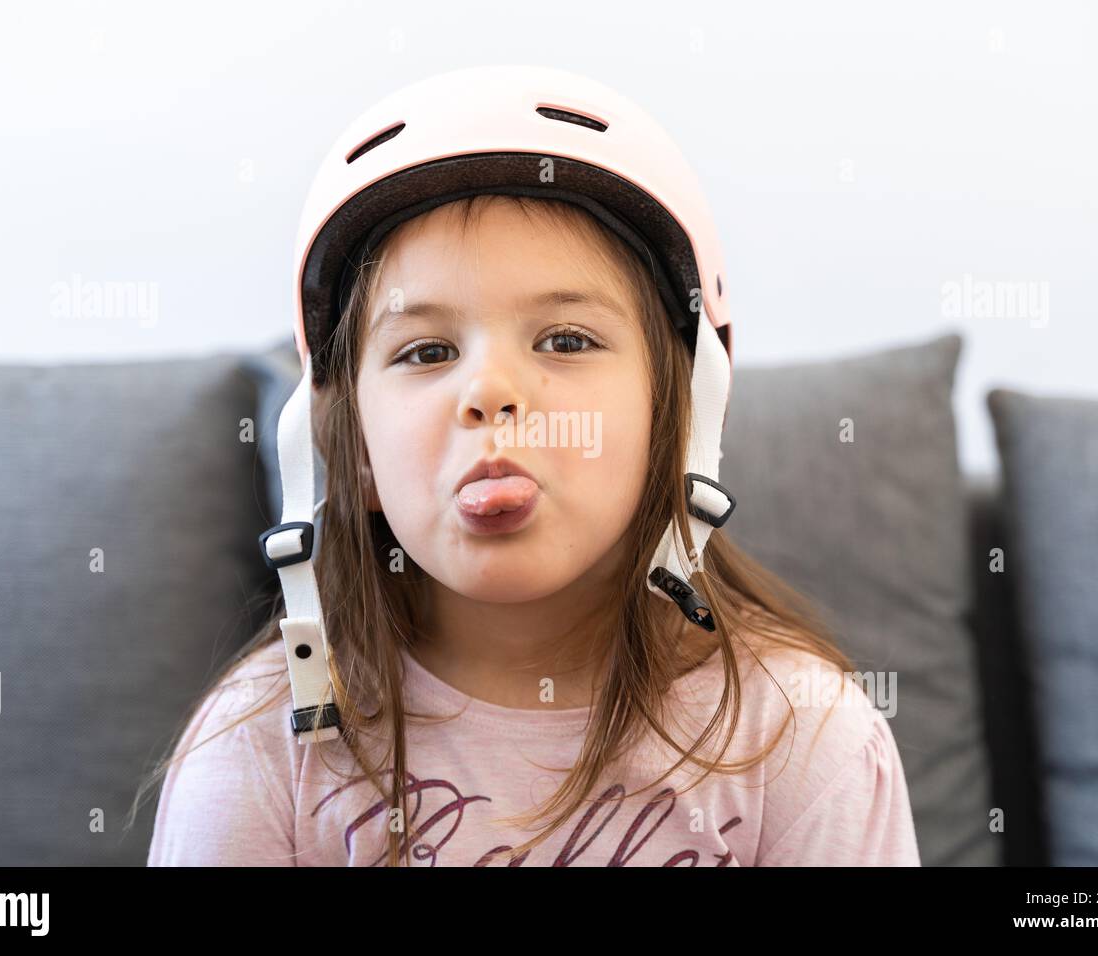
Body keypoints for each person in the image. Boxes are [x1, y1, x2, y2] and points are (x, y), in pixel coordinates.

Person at [141, 65, 920, 867]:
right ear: (356, 454)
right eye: (427, 351)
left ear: (680, 419)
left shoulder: (801, 740)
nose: (488, 394)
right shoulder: (260, 754)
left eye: (566, 340)